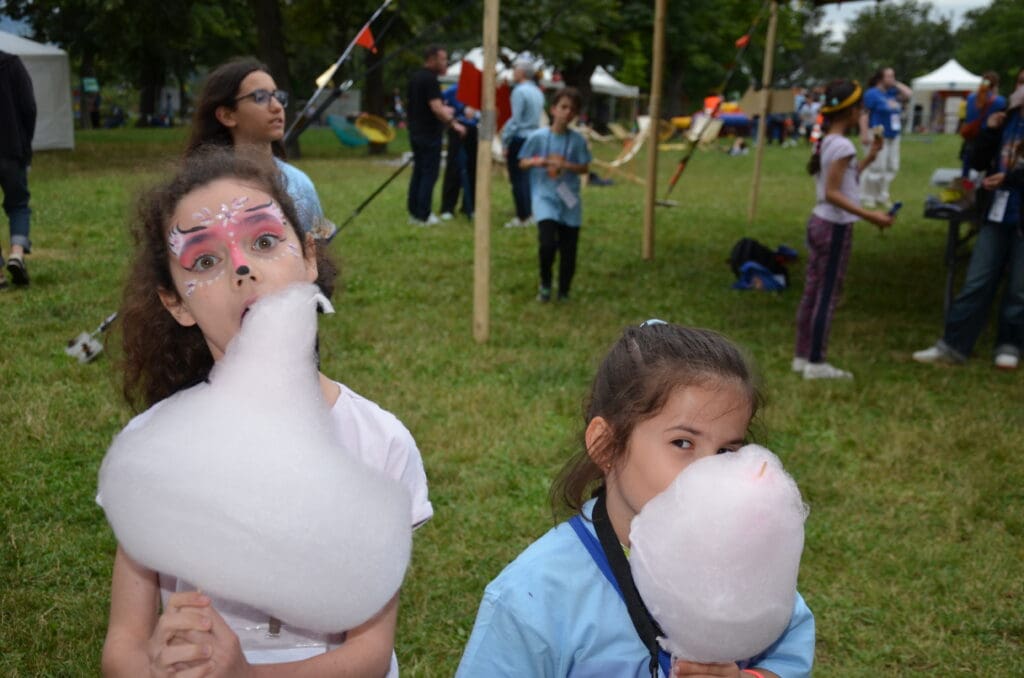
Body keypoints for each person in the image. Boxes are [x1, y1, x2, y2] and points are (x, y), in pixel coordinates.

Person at [101, 148, 432, 676]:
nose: (241, 267)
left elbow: (368, 655)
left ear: (308, 258)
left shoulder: (378, 443)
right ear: (176, 303)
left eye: (264, 241)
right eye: (204, 260)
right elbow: (123, 645)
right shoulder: (153, 452)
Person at [456, 321, 815, 678]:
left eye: (725, 450)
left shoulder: (743, 562)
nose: (709, 471)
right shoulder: (533, 599)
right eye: (683, 443)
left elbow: (787, 648)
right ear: (607, 445)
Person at [913, 67, 1024, 371]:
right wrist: (988, 130)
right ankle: (953, 344)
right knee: (977, 280)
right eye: (1019, 83)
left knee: (1018, 288)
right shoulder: (1005, 120)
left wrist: (1011, 179)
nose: (1021, 90)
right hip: (996, 213)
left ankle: (1010, 343)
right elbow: (975, 161)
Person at [793, 79, 894, 380]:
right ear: (849, 111)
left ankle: (802, 356)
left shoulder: (830, 141)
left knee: (813, 290)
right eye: (860, 107)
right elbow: (833, 193)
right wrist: (871, 216)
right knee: (826, 294)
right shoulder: (843, 145)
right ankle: (817, 363)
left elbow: (844, 182)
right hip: (834, 227)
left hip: (819, 222)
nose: (863, 112)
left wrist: (871, 158)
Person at [186, 57, 337, 242]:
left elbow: (318, 250)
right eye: (260, 97)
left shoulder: (299, 184)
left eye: (278, 96)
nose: (276, 106)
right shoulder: (201, 187)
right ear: (227, 115)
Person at [518, 87, 592, 303]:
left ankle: (564, 291)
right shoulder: (538, 137)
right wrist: (537, 161)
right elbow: (522, 162)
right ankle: (545, 284)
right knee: (547, 243)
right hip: (545, 196)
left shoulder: (577, 140)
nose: (567, 113)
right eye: (563, 107)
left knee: (569, 250)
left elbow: (585, 167)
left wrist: (566, 165)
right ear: (553, 109)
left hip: (569, 200)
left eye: (572, 109)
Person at [406, 45, 465, 227]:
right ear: (432, 59)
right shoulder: (431, 80)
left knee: (418, 172)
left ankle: (414, 213)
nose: (445, 62)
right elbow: (436, 107)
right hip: (430, 134)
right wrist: (454, 124)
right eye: (443, 58)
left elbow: (422, 105)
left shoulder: (416, 78)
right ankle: (424, 214)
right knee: (429, 174)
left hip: (415, 131)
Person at [0, 50, 36, 288]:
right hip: (11, 149)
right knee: (19, 206)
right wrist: (25, 144)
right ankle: (16, 254)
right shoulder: (11, 64)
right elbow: (29, 107)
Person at [858, 68, 912, 209]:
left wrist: (896, 83)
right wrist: (864, 133)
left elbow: (909, 94)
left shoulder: (891, 93)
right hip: (877, 132)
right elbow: (864, 114)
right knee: (876, 166)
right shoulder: (871, 94)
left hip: (893, 133)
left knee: (892, 166)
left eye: (893, 76)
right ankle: (868, 196)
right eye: (889, 76)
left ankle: (882, 194)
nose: (892, 79)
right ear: (880, 78)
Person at [502, 58, 545, 228]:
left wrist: (505, 139)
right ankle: (532, 212)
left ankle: (522, 216)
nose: (513, 72)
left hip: (520, 138)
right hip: (535, 136)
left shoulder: (519, 91)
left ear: (521, 73)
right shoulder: (537, 91)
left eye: (515, 69)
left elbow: (516, 119)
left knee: (518, 178)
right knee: (530, 177)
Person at [439, 82, 479, 221]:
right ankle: (448, 207)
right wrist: (454, 120)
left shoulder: (481, 90)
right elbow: (441, 104)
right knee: (454, 168)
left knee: (474, 169)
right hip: (457, 130)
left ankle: (470, 206)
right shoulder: (453, 90)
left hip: (475, 131)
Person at [960, 71, 1006, 177]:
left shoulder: (971, 98)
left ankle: (964, 188)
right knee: (989, 171)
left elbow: (968, 116)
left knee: (966, 168)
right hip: (987, 141)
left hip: (971, 136)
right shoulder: (1000, 101)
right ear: (996, 85)